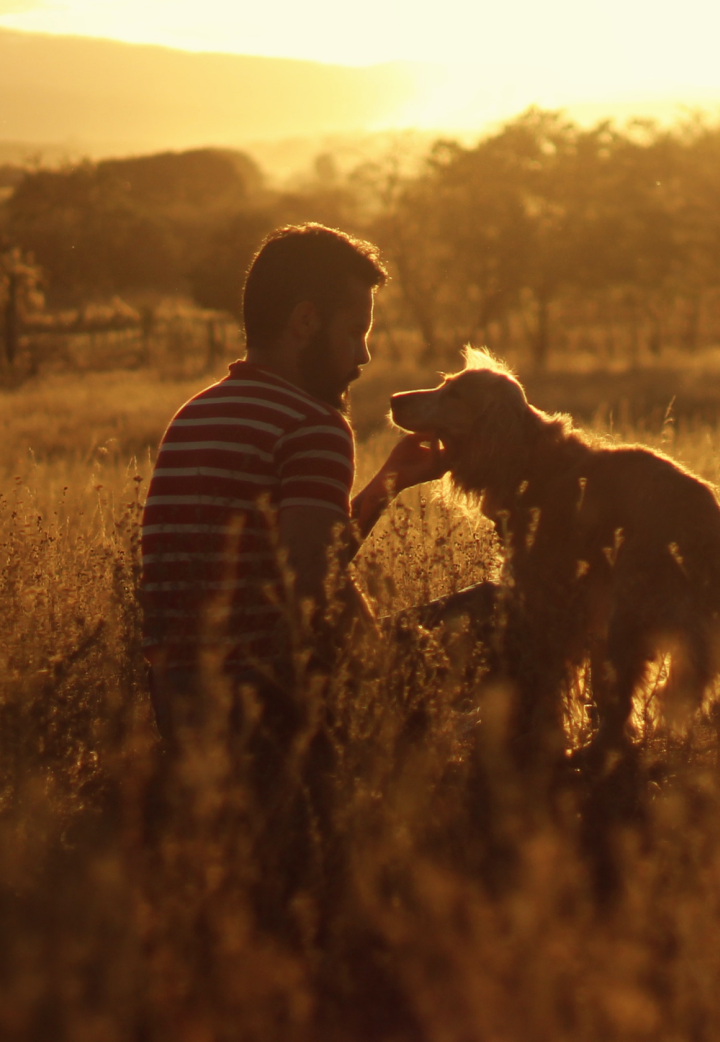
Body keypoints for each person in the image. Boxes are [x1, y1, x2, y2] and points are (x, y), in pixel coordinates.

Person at [135, 223, 442, 934]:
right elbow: (313, 590)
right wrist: (391, 680)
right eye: (356, 330)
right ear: (306, 321)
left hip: (180, 708)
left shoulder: (195, 414)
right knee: (489, 615)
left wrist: (386, 487)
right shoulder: (313, 426)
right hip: (266, 710)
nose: (366, 354)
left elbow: (282, 566)